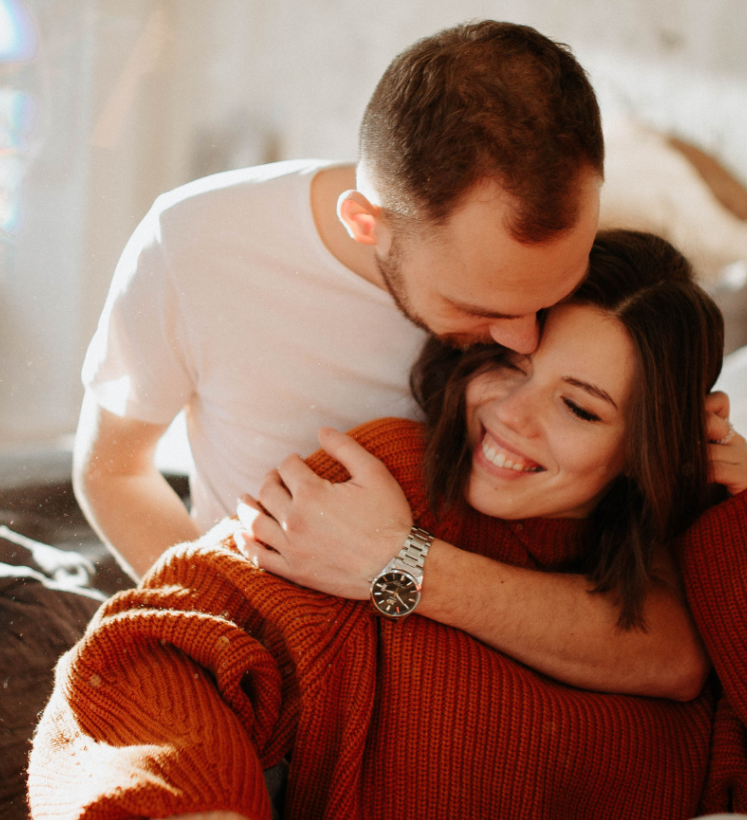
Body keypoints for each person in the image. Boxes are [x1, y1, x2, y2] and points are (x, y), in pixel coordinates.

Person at [30, 231, 747, 820]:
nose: (513, 417)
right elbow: (152, 640)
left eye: (580, 409)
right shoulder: (383, 481)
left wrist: (737, 521)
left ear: (646, 449)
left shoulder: (686, 580)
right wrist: (203, 794)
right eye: (510, 367)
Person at [72, 20, 713, 701]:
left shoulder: (570, 272)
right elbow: (112, 469)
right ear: (365, 222)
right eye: (480, 307)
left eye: (553, 291)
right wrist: (229, 632)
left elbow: (669, 637)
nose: (525, 338)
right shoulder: (195, 243)